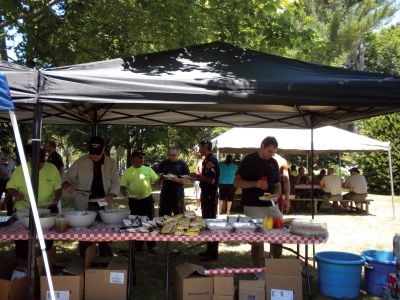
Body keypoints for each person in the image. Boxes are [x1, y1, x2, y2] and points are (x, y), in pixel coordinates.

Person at [62, 136, 120, 257]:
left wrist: (111, 194)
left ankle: (106, 260)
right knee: (85, 235)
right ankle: (86, 259)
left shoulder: (111, 163)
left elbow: (116, 181)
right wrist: (67, 186)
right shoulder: (80, 162)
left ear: (103, 149)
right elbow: (66, 178)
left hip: (104, 203)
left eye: (97, 154)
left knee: (106, 234)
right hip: (84, 204)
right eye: (92, 153)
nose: (94, 156)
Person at [6, 144, 61, 260]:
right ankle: (23, 264)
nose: (39, 166)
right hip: (24, 210)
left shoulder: (51, 168)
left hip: (47, 209)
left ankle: (44, 262)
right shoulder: (21, 169)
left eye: (41, 163)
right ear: (29, 158)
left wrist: (56, 199)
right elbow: (9, 188)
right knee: (22, 240)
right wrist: (16, 194)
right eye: (36, 163)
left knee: (47, 239)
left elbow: (58, 188)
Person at [234, 136, 282, 268]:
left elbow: (277, 183)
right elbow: (236, 182)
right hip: (252, 204)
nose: (272, 154)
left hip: (271, 205)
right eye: (269, 151)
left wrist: (277, 194)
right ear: (262, 146)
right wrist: (254, 183)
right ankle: (258, 269)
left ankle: (276, 267)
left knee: (278, 235)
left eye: (274, 152)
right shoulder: (249, 160)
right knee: (257, 239)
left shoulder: (273, 162)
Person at [120, 150, 159, 255]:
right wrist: (124, 193)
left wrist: (162, 178)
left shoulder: (148, 170)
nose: (142, 160)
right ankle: (138, 245)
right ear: (133, 159)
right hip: (134, 201)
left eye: (142, 158)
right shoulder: (128, 171)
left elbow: (157, 181)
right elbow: (122, 187)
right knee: (136, 223)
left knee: (150, 222)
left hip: (147, 199)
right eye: (139, 157)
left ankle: (152, 245)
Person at [190, 140, 219, 261]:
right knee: (207, 222)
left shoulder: (210, 160)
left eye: (200, 147)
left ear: (206, 147)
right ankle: (209, 249)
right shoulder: (207, 159)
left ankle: (213, 253)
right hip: (207, 194)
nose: (199, 150)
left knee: (211, 223)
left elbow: (211, 180)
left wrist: (197, 176)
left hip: (210, 195)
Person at [158, 147, 190, 216]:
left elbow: (187, 181)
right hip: (165, 194)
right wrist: (161, 176)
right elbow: (159, 179)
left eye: (174, 155)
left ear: (178, 155)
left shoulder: (183, 165)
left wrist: (177, 180)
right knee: (163, 217)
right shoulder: (164, 163)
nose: (171, 157)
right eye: (170, 155)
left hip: (178, 195)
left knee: (179, 217)